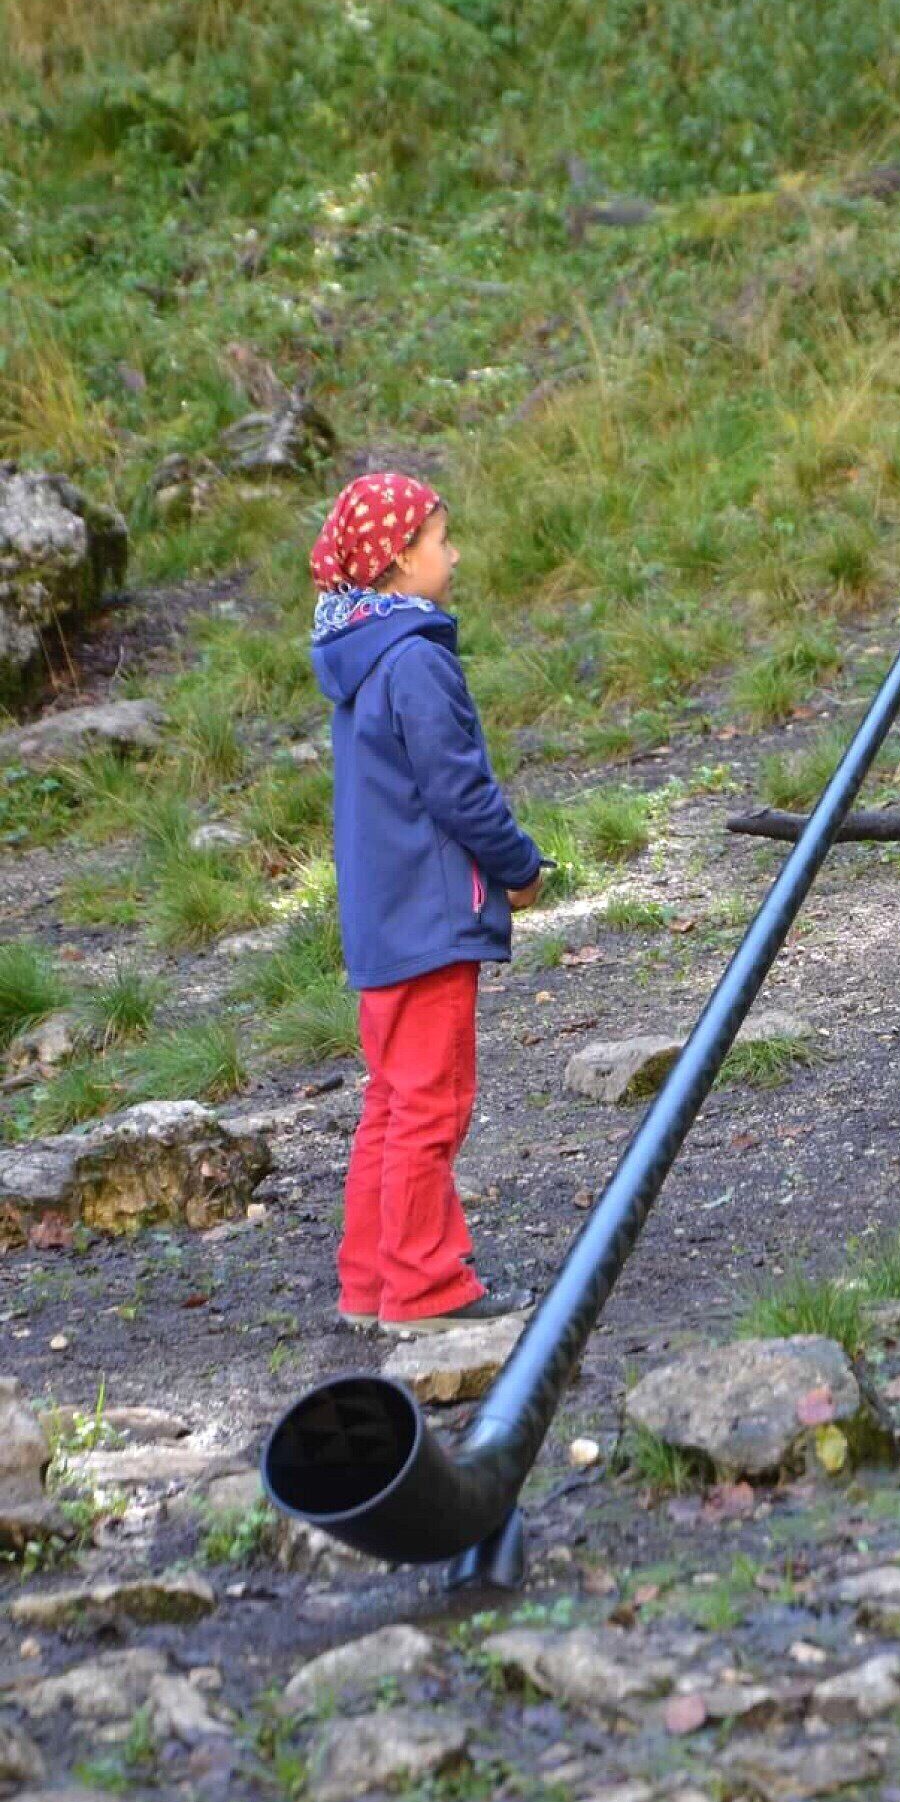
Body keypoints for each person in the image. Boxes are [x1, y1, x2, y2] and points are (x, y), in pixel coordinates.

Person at [309, 471, 548, 1331]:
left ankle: (371, 1280)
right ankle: (425, 1286)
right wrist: (520, 865)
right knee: (430, 1103)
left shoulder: (361, 654)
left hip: (383, 922)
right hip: (430, 918)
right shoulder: (413, 658)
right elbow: (460, 792)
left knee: (390, 1100)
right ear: (399, 559)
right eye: (442, 539)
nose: (456, 554)